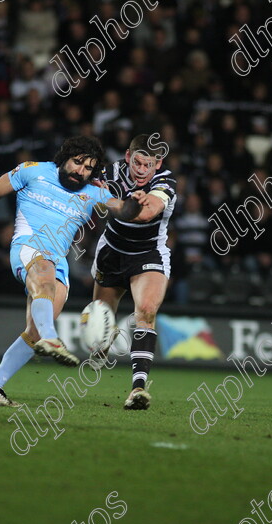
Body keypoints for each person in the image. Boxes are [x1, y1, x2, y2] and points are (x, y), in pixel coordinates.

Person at [0, 135, 145, 407]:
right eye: (77, 162)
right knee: (43, 284)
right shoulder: (33, 170)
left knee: (33, 330)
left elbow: (124, 210)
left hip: (58, 263)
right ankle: (52, 339)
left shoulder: (94, 192)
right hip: (28, 247)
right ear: (64, 157)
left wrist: (135, 202)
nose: (81, 171)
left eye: (88, 168)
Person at [90, 133, 176, 411]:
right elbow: (95, 197)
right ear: (128, 157)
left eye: (148, 165)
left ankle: (138, 388)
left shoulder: (165, 182)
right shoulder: (110, 171)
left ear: (158, 164)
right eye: (137, 162)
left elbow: (148, 213)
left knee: (147, 310)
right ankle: (105, 341)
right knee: (98, 344)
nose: (141, 170)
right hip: (112, 251)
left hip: (147, 253)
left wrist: (132, 204)